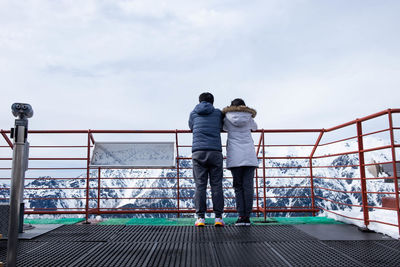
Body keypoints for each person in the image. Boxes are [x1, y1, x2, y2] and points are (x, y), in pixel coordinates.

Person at [189, 92, 225, 227]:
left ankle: (200, 218)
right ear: (212, 102)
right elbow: (222, 126)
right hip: (215, 151)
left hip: (198, 152)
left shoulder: (193, 113)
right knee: (216, 185)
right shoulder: (217, 113)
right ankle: (218, 218)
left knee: (200, 185)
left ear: (199, 102)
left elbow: (191, 127)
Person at [222, 98, 258, 226]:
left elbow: (224, 128)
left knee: (238, 187)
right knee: (248, 187)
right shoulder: (249, 117)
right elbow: (255, 128)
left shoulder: (226, 118)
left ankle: (241, 216)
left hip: (235, 157)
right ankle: (247, 217)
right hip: (249, 156)